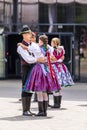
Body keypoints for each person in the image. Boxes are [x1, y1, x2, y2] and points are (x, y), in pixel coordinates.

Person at [19, 34, 61, 116]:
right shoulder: (49, 48)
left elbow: (27, 48)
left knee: (39, 91)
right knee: (45, 92)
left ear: (41, 41)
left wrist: (20, 44)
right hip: (47, 69)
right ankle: (45, 111)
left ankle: (41, 111)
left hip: (39, 69)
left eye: (39, 40)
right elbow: (53, 57)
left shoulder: (38, 48)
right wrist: (47, 59)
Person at [17, 25, 46, 116]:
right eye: (28, 33)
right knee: (25, 88)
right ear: (23, 35)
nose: (30, 35)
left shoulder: (33, 45)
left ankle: (29, 110)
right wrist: (38, 60)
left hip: (35, 68)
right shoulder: (20, 47)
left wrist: (41, 59)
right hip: (26, 68)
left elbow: (39, 53)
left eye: (30, 33)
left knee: (32, 88)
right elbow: (28, 59)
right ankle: (25, 110)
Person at [48, 37, 74, 108]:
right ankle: (58, 104)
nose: (51, 43)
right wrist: (58, 59)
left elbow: (53, 59)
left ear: (54, 43)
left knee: (55, 85)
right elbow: (62, 58)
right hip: (61, 67)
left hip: (54, 67)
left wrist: (54, 59)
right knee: (58, 86)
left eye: (52, 42)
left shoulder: (51, 49)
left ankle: (56, 104)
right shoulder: (61, 49)